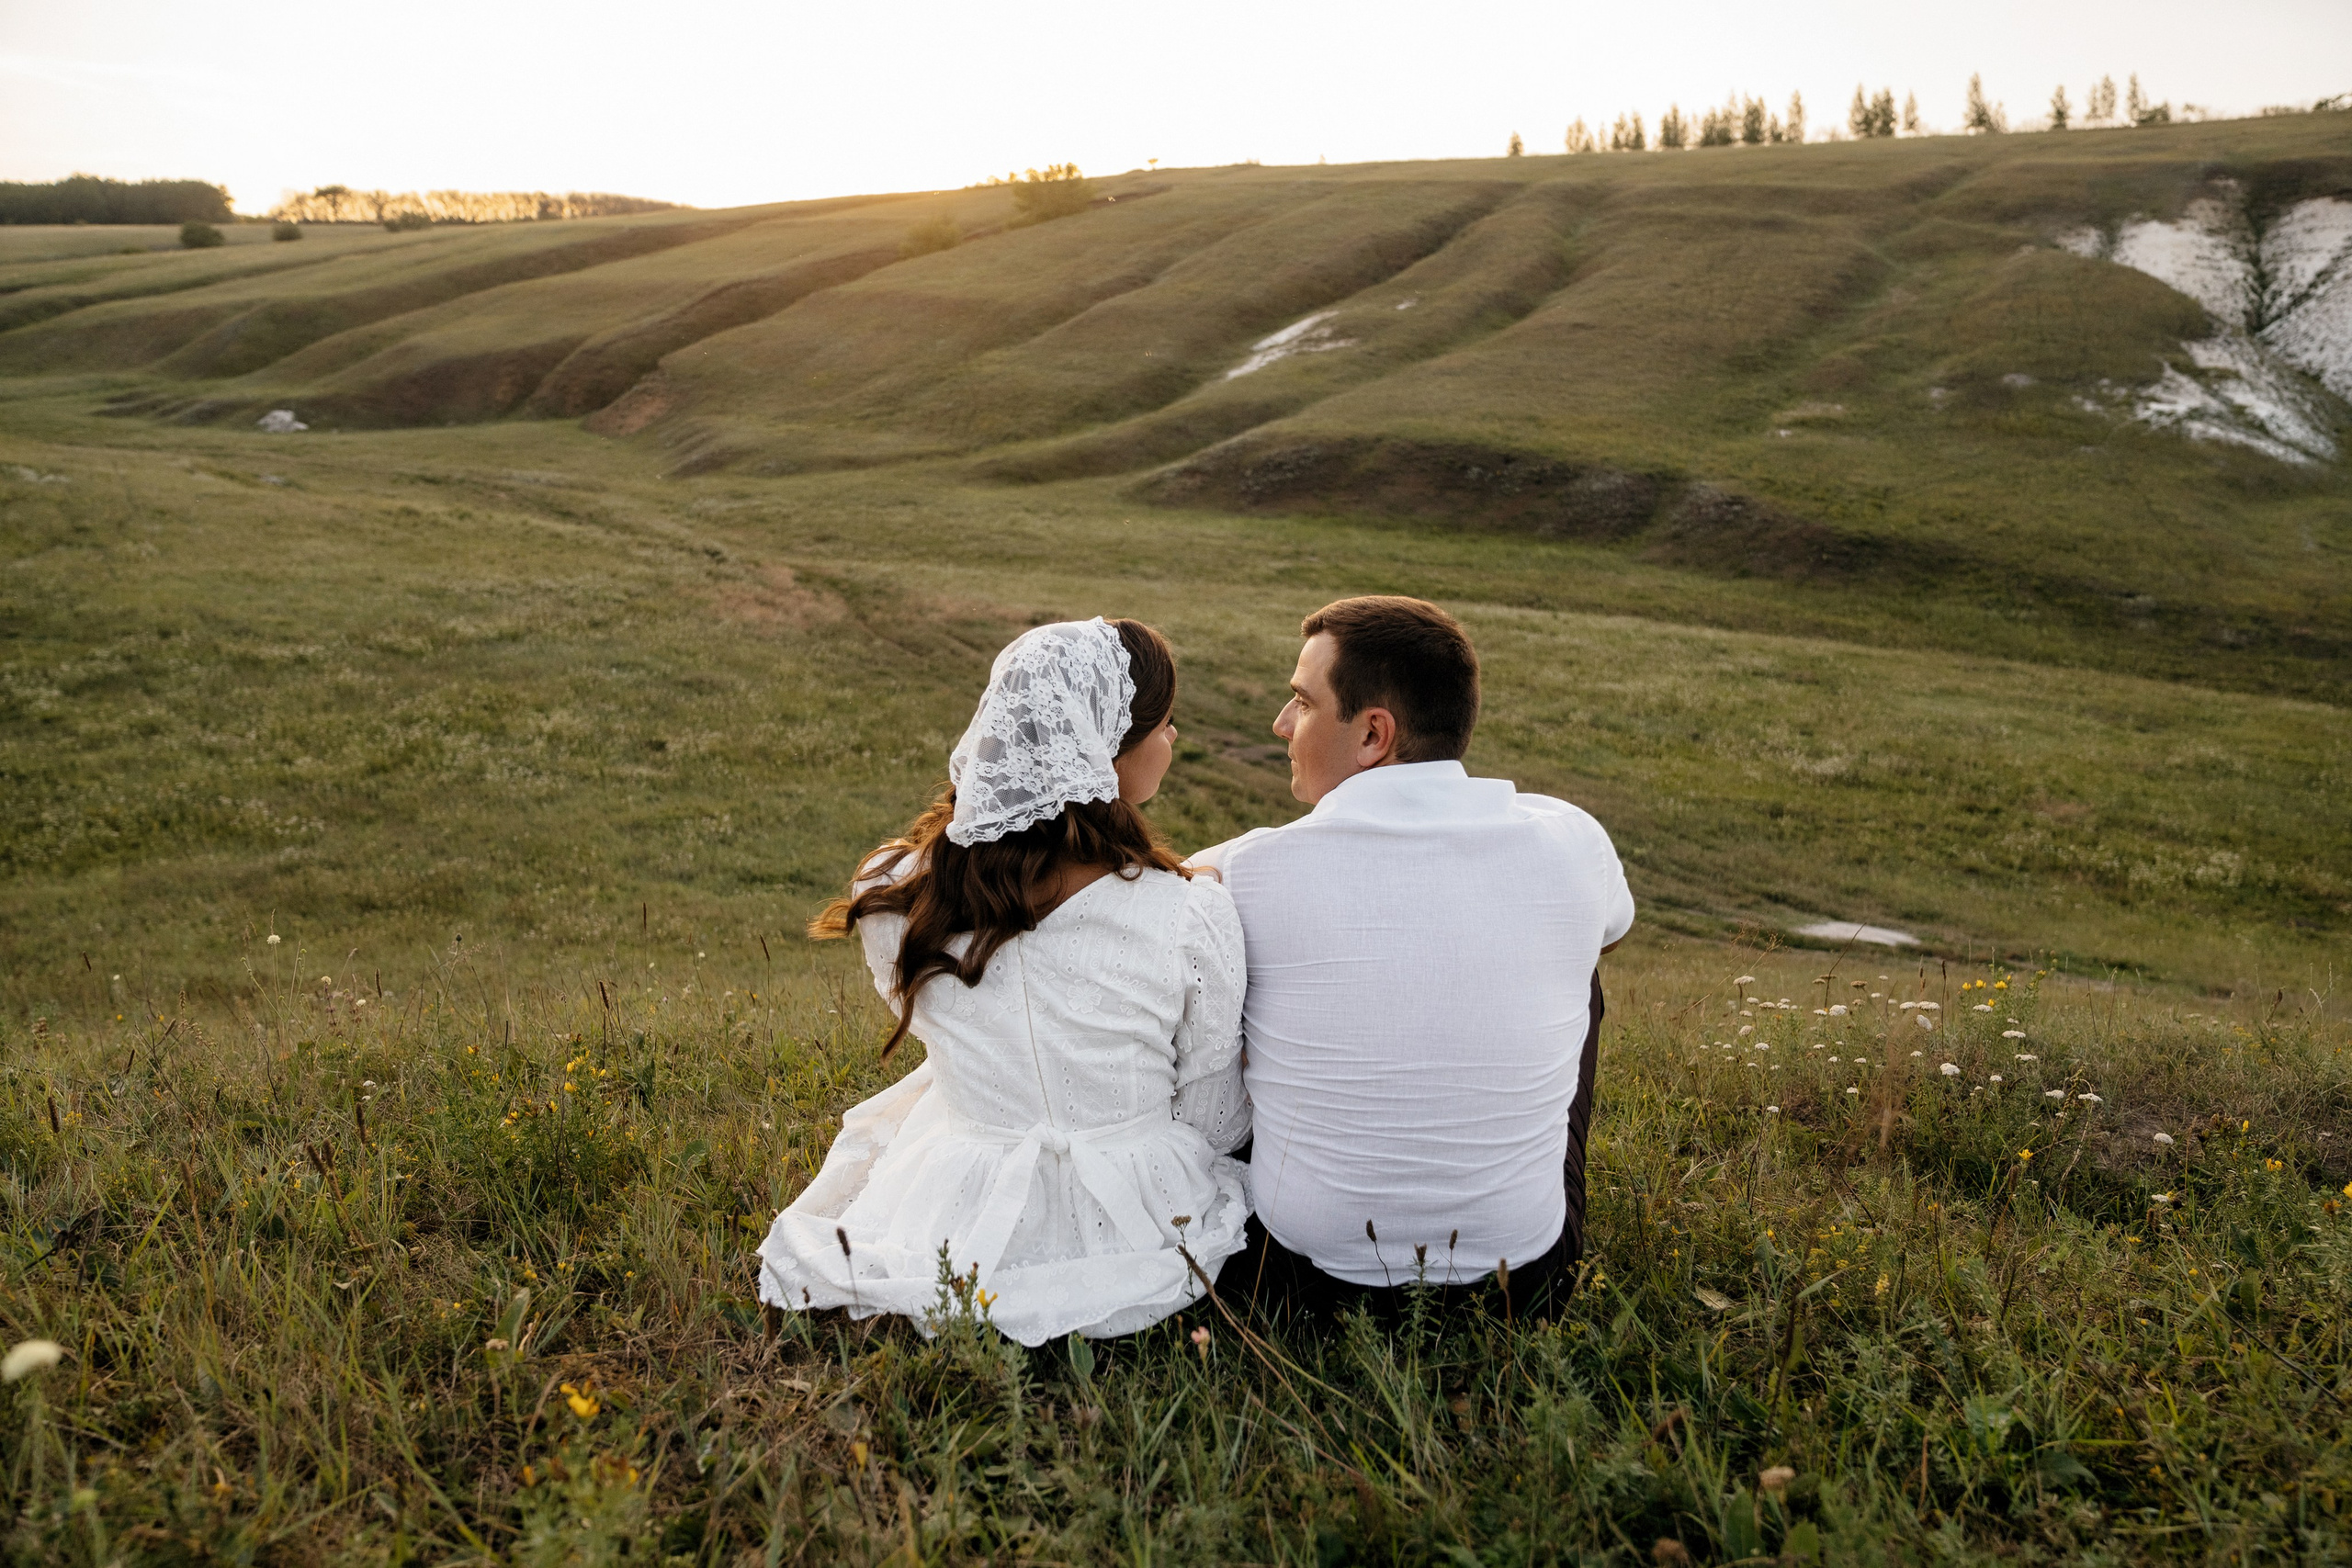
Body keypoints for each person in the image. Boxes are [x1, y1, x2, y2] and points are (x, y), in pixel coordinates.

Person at [756, 617, 1252, 1346]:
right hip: (1143, 1213)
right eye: (1165, 722)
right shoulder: (1189, 913)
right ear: (1104, 744)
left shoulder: (897, 889)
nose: (1174, 738)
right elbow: (1213, 1122)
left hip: (956, 1192)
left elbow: (935, 1024)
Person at [1191, 595, 1633, 1320]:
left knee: (1223, 965)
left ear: (1372, 734)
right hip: (1524, 1280)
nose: (1280, 724)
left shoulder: (1249, 870)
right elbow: (1610, 932)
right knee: (1580, 973)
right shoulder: (1573, 839)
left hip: (1305, 1282)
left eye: (1302, 702)